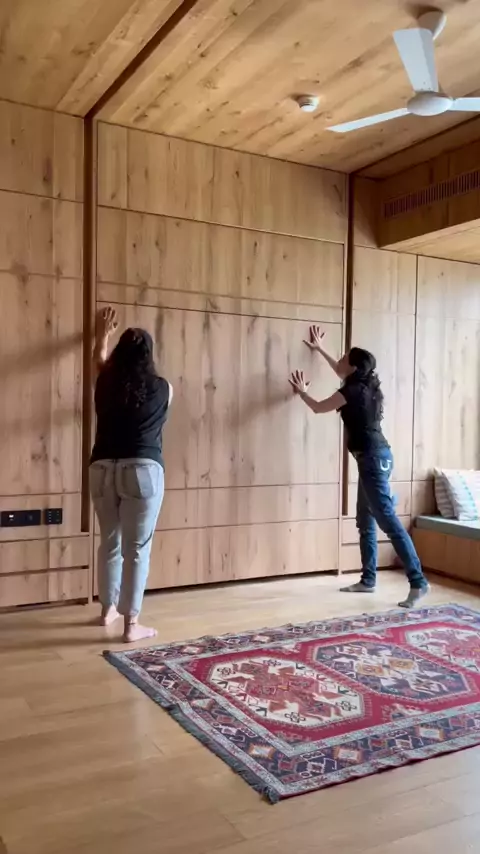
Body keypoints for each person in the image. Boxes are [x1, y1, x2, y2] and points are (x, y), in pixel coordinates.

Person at [289, 325, 429, 609]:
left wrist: (302, 393)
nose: (339, 360)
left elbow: (318, 407)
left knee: (387, 521)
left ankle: (418, 582)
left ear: (353, 367)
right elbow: (340, 371)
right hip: (376, 457)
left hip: (373, 460)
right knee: (365, 520)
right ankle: (368, 580)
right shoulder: (364, 385)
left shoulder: (352, 391)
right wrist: (320, 350)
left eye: (343, 357)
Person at [90, 307, 173, 642]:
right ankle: (131, 625)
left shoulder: (104, 382)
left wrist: (102, 335)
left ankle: (107, 610)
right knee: (136, 549)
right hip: (142, 470)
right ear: (149, 356)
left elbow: (99, 359)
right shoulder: (163, 388)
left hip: (101, 469)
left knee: (109, 543)